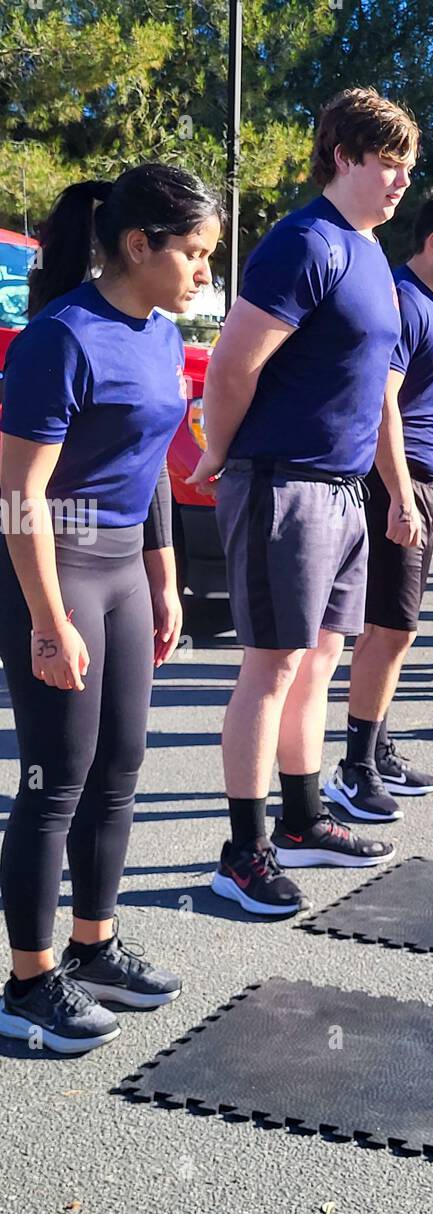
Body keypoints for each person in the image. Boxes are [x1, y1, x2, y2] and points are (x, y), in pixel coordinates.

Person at [0, 164, 221, 1053]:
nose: (205, 270)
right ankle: (27, 981)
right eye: (196, 253)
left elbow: (151, 467)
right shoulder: (60, 338)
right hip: (56, 569)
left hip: (126, 570)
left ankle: (93, 947)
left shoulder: (161, 336)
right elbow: (18, 495)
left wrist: (164, 578)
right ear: (141, 245)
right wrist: (48, 620)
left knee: (121, 767)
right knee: (55, 781)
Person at [183, 88, 421, 916]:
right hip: (281, 482)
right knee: (272, 666)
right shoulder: (303, 243)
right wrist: (218, 450)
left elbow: (380, 391)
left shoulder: (371, 258)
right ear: (343, 157)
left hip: (345, 491)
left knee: (319, 661)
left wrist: (395, 490)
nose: (398, 182)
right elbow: (233, 363)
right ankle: (242, 853)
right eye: (386, 164)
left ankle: (303, 819)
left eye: (406, 168)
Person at [323, 191, 433, 822]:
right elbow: (383, 403)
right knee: (391, 630)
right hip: (389, 483)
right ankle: (355, 769)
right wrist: (399, 494)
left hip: (423, 479)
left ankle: (379, 745)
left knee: (390, 630)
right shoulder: (399, 299)